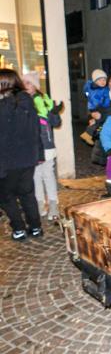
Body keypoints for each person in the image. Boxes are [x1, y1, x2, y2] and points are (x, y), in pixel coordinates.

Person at [0, 69, 44, 240]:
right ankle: (35, 228)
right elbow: (36, 130)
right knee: (27, 194)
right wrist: (38, 154)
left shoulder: (3, 106)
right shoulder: (28, 101)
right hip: (27, 159)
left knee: (6, 196)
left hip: (7, 161)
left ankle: (19, 229)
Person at [22, 72, 62, 220]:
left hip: (46, 145)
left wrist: (54, 113)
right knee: (35, 176)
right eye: (23, 83)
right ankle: (39, 203)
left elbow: (56, 123)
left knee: (48, 175)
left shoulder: (45, 101)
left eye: (28, 83)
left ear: (35, 86)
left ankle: (53, 204)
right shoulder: (20, 102)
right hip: (29, 146)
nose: (25, 86)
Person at [81, 69, 110, 146]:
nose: (103, 82)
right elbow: (85, 91)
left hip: (97, 107)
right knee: (99, 120)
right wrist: (88, 96)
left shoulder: (104, 89)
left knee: (97, 121)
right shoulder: (91, 86)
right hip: (96, 107)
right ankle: (90, 134)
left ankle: (88, 134)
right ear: (95, 81)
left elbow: (106, 98)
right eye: (100, 80)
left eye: (104, 80)